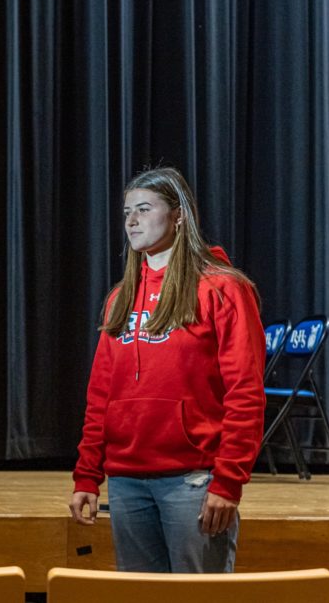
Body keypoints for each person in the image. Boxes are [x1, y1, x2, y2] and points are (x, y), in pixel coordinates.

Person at [69, 166, 266, 573]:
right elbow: (100, 395)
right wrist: (87, 475)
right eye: (127, 212)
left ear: (178, 216)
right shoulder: (120, 299)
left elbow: (245, 391)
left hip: (192, 483)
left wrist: (228, 481)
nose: (131, 221)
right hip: (126, 482)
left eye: (144, 209)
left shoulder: (222, 288)